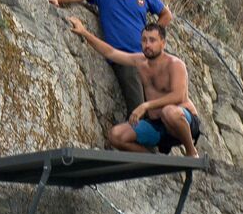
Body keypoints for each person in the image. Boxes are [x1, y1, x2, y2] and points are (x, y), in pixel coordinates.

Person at [48, 0, 172, 113]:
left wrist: (153, 37)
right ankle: (134, 136)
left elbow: (166, 15)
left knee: (161, 109)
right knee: (138, 108)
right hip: (124, 58)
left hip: (147, 57)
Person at [68, 17, 200, 157]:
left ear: (163, 43)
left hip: (183, 123)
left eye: (152, 40)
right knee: (115, 135)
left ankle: (191, 152)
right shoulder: (139, 61)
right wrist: (84, 32)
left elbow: (178, 96)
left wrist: (145, 106)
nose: (147, 45)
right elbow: (110, 52)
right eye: (144, 40)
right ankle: (154, 160)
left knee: (169, 111)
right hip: (157, 126)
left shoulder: (175, 64)